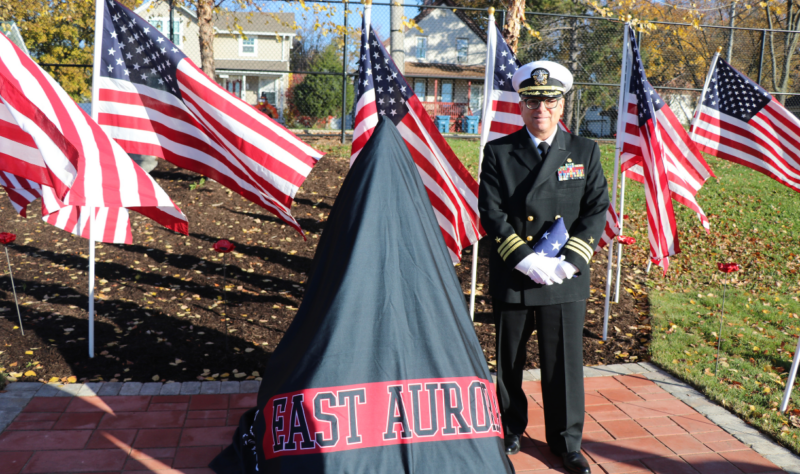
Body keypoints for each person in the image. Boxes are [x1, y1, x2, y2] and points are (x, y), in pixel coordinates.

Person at [478, 60, 609, 474]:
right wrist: (526, 259)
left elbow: (596, 210)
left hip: (563, 279)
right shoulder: (499, 152)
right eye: (533, 100)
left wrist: (569, 262)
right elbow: (491, 212)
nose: (541, 108)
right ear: (521, 105)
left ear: (562, 105)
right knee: (509, 360)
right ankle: (510, 428)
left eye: (549, 100)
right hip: (515, 272)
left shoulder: (584, 151)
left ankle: (567, 443)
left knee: (563, 365)